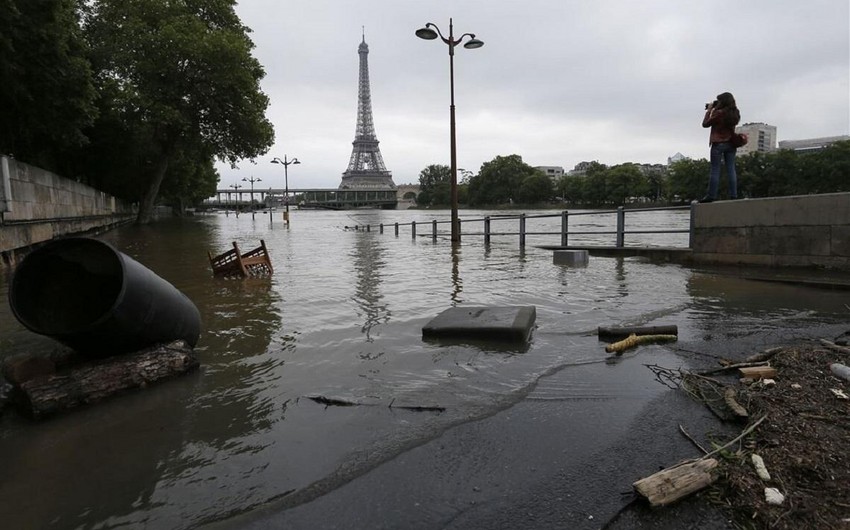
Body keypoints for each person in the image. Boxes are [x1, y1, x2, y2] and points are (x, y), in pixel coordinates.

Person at [700, 92, 741, 203]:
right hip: (731, 144)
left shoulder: (718, 113)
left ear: (723, 102)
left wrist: (710, 110)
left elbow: (705, 124)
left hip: (718, 144)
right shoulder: (735, 113)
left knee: (715, 170)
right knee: (731, 169)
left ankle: (711, 196)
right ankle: (734, 195)